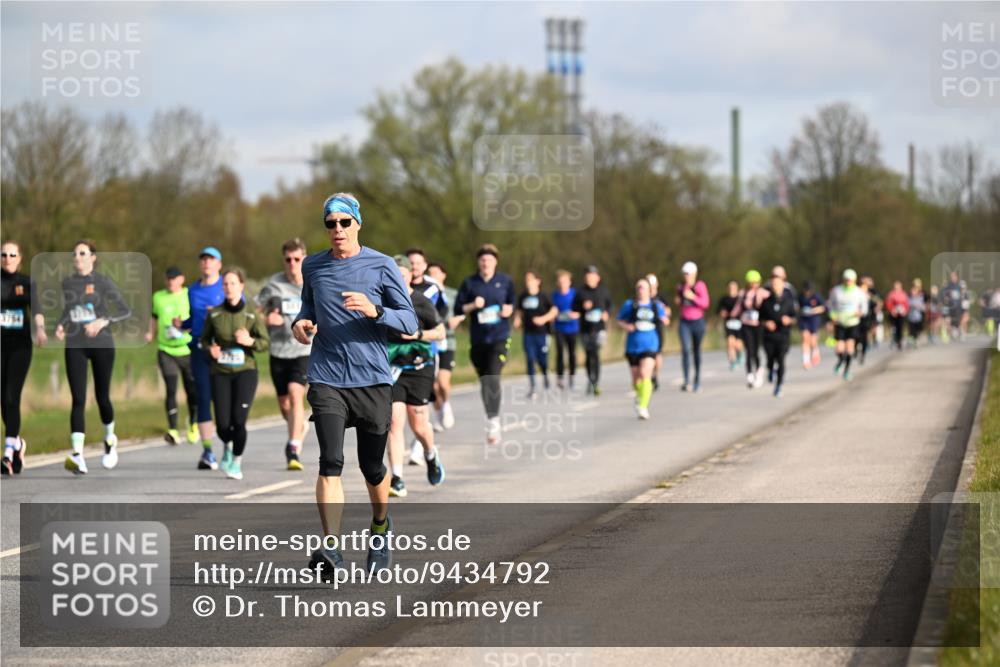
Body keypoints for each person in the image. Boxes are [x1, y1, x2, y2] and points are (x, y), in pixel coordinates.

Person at [292, 193, 417, 576]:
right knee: (330, 461)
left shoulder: (380, 265)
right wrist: (301, 325)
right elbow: (306, 311)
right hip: (327, 376)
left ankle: (380, 526)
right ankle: (331, 548)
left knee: (372, 468)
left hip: (372, 379)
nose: (338, 229)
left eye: (345, 222)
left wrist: (375, 310)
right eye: (331, 223)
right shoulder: (313, 266)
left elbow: (410, 323)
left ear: (358, 224)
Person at [57, 239, 132, 474]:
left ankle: (110, 439)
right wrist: (61, 324)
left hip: (101, 344)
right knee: (78, 398)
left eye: (82, 253)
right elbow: (69, 310)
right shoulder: (68, 283)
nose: (77, 257)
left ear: (93, 257)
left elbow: (124, 310)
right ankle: (78, 455)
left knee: (102, 398)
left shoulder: (103, 282)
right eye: (75, 253)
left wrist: (102, 322)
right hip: (75, 344)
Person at [385, 255, 446, 497]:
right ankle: (397, 478)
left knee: (419, 424)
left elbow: (440, 332)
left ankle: (430, 454)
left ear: (411, 275)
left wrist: (419, 335)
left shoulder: (420, 301)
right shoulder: (383, 301)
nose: (399, 279)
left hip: (420, 368)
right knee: (394, 423)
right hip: (393, 370)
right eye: (394, 274)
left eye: (402, 274)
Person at [201, 268, 269, 480]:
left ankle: (236, 463)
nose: (229, 287)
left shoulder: (251, 314)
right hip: (220, 372)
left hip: (245, 372)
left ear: (241, 286)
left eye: (233, 283)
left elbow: (265, 342)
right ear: (223, 287)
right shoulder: (214, 314)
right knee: (222, 424)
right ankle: (228, 445)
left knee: (238, 421)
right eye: (226, 284)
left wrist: (250, 341)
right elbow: (203, 341)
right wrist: (209, 350)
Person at [258, 238, 312, 471]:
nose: (292, 264)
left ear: (304, 259)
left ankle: (293, 447)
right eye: (288, 259)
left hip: (304, 349)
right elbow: (255, 313)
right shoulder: (274, 285)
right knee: (284, 405)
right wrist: (266, 320)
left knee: (295, 393)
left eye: (297, 259)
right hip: (278, 351)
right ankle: (299, 427)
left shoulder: (312, 284)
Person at [453, 243, 516, 445]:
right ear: (478, 263)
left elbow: (512, 303)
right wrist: (473, 305)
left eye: (489, 259)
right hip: (478, 340)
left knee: (493, 375)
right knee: (484, 380)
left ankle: (494, 421)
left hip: (499, 337)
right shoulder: (470, 283)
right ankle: (490, 415)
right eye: (482, 259)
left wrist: (509, 310)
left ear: (495, 262)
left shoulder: (505, 281)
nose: (485, 262)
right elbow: (458, 309)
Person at [2, 240, 47, 476]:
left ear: (19, 258)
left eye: (12, 254)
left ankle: (8, 453)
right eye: (4, 254)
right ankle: (18, 444)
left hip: (20, 347)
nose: (8, 258)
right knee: (3, 401)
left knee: (12, 395)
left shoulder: (27, 283)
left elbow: (37, 310)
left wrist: (40, 329)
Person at [146, 266, 197, 446]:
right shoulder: (158, 297)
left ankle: (193, 424)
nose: (170, 281)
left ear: (181, 279)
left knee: (192, 390)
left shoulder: (189, 294)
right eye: (168, 278)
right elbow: (154, 317)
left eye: (174, 278)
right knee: (171, 389)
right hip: (166, 349)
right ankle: (173, 430)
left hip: (187, 349)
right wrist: (150, 333)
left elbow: (197, 316)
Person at [185, 246, 226, 469]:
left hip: (223, 352)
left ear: (218, 264)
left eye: (211, 259)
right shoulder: (192, 290)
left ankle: (228, 448)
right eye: (203, 260)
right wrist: (180, 325)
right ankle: (208, 452)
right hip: (200, 349)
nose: (206, 263)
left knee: (223, 402)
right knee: (203, 399)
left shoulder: (227, 286)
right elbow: (193, 320)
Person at [617, 278, 669, 419]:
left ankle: (643, 406)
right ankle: (640, 396)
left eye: (644, 287)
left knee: (645, 374)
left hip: (650, 344)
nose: (641, 290)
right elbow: (619, 320)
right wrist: (626, 326)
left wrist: (664, 319)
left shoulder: (655, 306)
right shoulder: (630, 305)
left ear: (649, 290)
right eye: (639, 287)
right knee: (636, 380)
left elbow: (665, 318)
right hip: (633, 345)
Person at [427, 262, 461, 433]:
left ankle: (446, 404)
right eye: (430, 272)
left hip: (448, 341)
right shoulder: (425, 291)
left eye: (435, 272)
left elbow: (462, 309)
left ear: (443, 275)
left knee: (443, 383)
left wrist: (458, 319)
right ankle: (439, 412)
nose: (432, 275)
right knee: (432, 385)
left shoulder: (452, 294)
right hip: (430, 341)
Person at [515, 271, 558, 398]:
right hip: (528, 333)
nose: (527, 282)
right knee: (529, 359)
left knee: (542, 360)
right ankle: (533, 387)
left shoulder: (544, 296)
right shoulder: (523, 296)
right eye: (526, 279)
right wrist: (517, 319)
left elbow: (554, 310)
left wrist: (543, 319)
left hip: (542, 334)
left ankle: (545, 374)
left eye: (530, 279)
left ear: (537, 281)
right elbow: (519, 310)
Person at [572, 266, 613, 396]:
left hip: (599, 328)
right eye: (587, 275)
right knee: (589, 355)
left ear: (597, 277)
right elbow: (574, 308)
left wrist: (607, 313)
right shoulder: (580, 292)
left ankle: (596, 382)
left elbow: (610, 305)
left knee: (595, 353)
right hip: (585, 329)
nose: (589, 278)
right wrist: (582, 307)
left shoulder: (603, 291)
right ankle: (590, 379)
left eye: (592, 275)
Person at [761, 269, 798, 397]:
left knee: (781, 359)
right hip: (769, 336)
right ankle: (770, 369)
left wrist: (789, 320)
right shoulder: (766, 302)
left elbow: (795, 317)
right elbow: (760, 318)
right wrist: (766, 323)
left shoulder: (788, 301)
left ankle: (779, 386)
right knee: (770, 359)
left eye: (778, 284)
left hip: (783, 335)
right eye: (773, 284)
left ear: (783, 285)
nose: (775, 286)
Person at [674, 261, 710, 393]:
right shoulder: (680, 287)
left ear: (694, 274)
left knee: (696, 350)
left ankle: (697, 380)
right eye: (685, 274)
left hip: (698, 322)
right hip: (684, 322)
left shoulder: (700, 286)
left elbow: (705, 304)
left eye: (688, 274)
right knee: (685, 350)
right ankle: (686, 380)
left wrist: (693, 297)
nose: (686, 277)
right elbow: (680, 303)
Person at [732, 270, 769, 389]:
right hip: (746, 324)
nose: (753, 285)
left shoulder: (763, 293)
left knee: (756, 350)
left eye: (755, 283)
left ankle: (758, 371)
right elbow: (737, 308)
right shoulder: (742, 294)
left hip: (758, 325)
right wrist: (731, 315)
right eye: (751, 283)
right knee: (749, 350)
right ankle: (749, 375)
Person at [828, 268, 866, 381]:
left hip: (853, 323)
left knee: (850, 348)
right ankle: (841, 361)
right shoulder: (837, 291)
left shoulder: (859, 292)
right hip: (840, 322)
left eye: (850, 280)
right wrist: (832, 315)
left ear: (854, 280)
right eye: (846, 280)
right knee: (839, 349)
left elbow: (864, 308)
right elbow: (831, 305)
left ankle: (847, 371)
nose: (848, 282)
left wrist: (860, 313)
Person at [551, 269, 579, 390]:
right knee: (560, 352)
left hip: (572, 328)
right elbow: (551, 310)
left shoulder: (575, 294)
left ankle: (572, 376)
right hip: (559, 328)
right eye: (560, 281)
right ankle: (560, 377)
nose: (562, 283)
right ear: (558, 283)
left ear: (569, 282)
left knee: (572, 353)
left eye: (565, 281)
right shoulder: (554, 296)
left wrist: (576, 314)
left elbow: (581, 309)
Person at [646, 274, 672, 391]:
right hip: (645, 330)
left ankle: (655, 375)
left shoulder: (661, 297)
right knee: (647, 354)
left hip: (657, 329)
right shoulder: (642, 297)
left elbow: (668, 311)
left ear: (656, 285)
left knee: (657, 354)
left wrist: (663, 312)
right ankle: (648, 376)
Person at [797, 281, 826, 369]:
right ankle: (806, 361)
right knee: (805, 339)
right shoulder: (800, 297)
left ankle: (815, 352)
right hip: (804, 320)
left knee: (813, 341)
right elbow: (796, 307)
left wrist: (813, 310)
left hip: (813, 320)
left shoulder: (816, 296)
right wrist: (801, 310)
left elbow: (823, 307)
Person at [716, 280, 743, 371]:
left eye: (734, 287)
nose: (732, 289)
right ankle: (732, 361)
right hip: (729, 324)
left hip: (739, 324)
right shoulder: (724, 299)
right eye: (730, 287)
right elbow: (718, 311)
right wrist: (722, 313)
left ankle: (739, 354)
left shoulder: (740, 299)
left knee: (738, 345)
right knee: (730, 343)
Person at [884, 281, 909, 350]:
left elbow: (906, 304)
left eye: (898, 286)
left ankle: (899, 341)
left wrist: (905, 311)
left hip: (901, 314)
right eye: (896, 286)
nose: (897, 288)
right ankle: (894, 339)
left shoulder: (903, 294)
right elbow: (888, 303)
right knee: (894, 328)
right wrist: (891, 310)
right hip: (893, 313)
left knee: (900, 327)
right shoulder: (891, 294)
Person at [907, 278, 927, 347]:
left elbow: (925, 304)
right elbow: (907, 304)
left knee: (919, 328)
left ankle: (918, 338)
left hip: (919, 315)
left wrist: (921, 307)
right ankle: (912, 340)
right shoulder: (909, 296)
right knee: (912, 329)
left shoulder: (923, 294)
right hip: (911, 316)